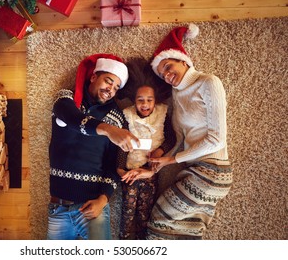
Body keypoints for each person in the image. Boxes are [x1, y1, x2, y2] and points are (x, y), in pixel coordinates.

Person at [122, 24, 233, 240]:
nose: (166, 74)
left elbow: (217, 139)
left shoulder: (208, 82)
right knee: (188, 232)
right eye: (162, 72)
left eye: (168, 66)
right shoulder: (176, 96)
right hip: (192, 169)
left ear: (183, 60)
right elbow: (180, 140)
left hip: (212, 172)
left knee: (158, 222)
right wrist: (156, 165)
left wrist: (172, 160)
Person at [47, 53, 139, 240]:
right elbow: (74, 119)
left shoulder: (117, 118)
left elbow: (113, 166)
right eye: (108, 81)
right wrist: (107, 130)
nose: (110, 89)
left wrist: (102, 200)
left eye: (116, 87)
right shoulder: (66, 98)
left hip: (92, 206)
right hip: (59, 206)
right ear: (94, 77)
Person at [115, 59, 175, 240]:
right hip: (130, 170)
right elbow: (122, 145)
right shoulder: (127, 115)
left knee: (144, 211)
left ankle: (143, 243)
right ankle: (124, 240)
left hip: (150, 171)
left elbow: (172, 138)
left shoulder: (163, 113)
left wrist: (160, 151)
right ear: (134, 101)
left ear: (156, 100)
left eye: (149, 100)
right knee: (128, 210)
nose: (145, 104)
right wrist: (119, 168)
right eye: (140, 100)